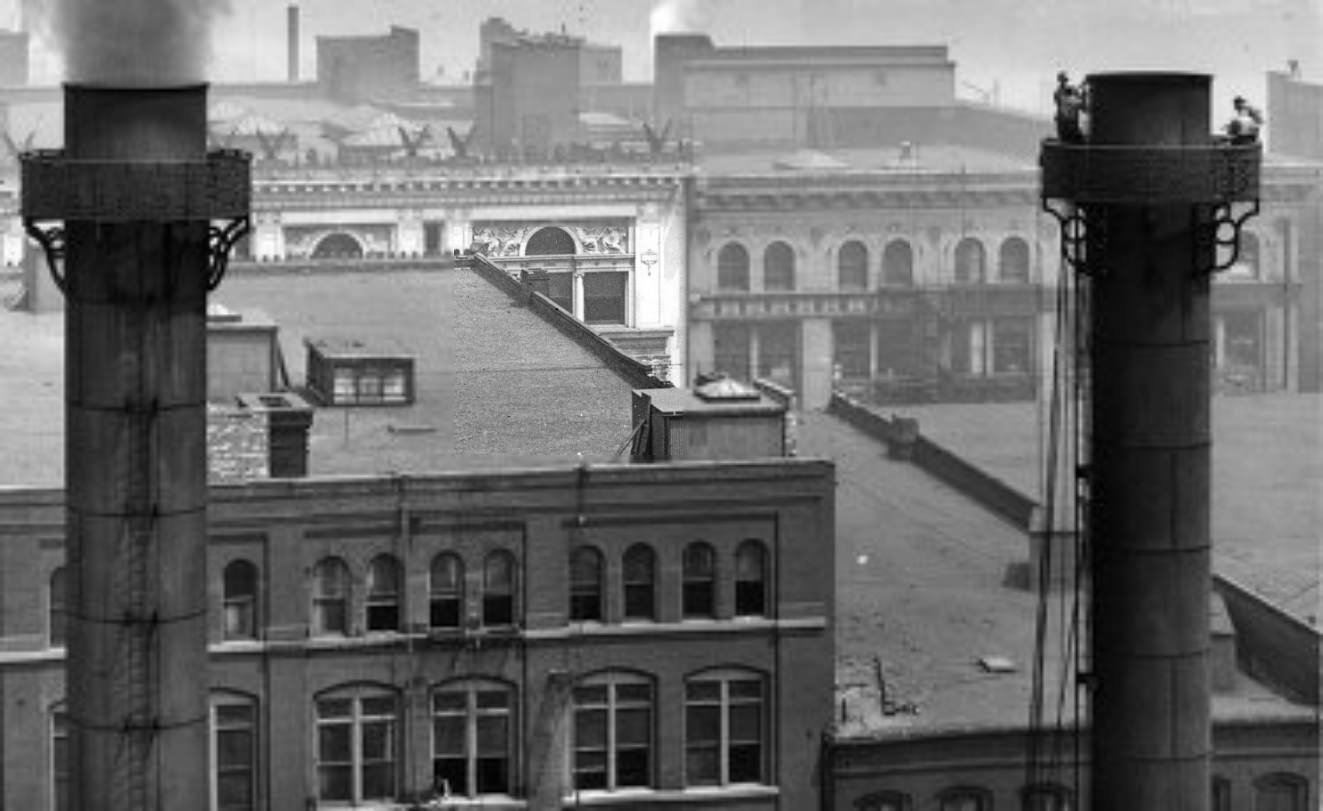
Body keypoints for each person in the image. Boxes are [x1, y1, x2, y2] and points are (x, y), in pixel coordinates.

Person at [1053, 71, 1087, 143]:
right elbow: (1082, 105)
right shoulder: (1063, 96)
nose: (1064, 83)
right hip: (1068, 131)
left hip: (1067, 129)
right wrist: (1083, 92)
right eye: (1062, 81)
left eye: (1065, 81)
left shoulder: (1065, 94)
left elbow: (1082, 106)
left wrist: (1080, 91)